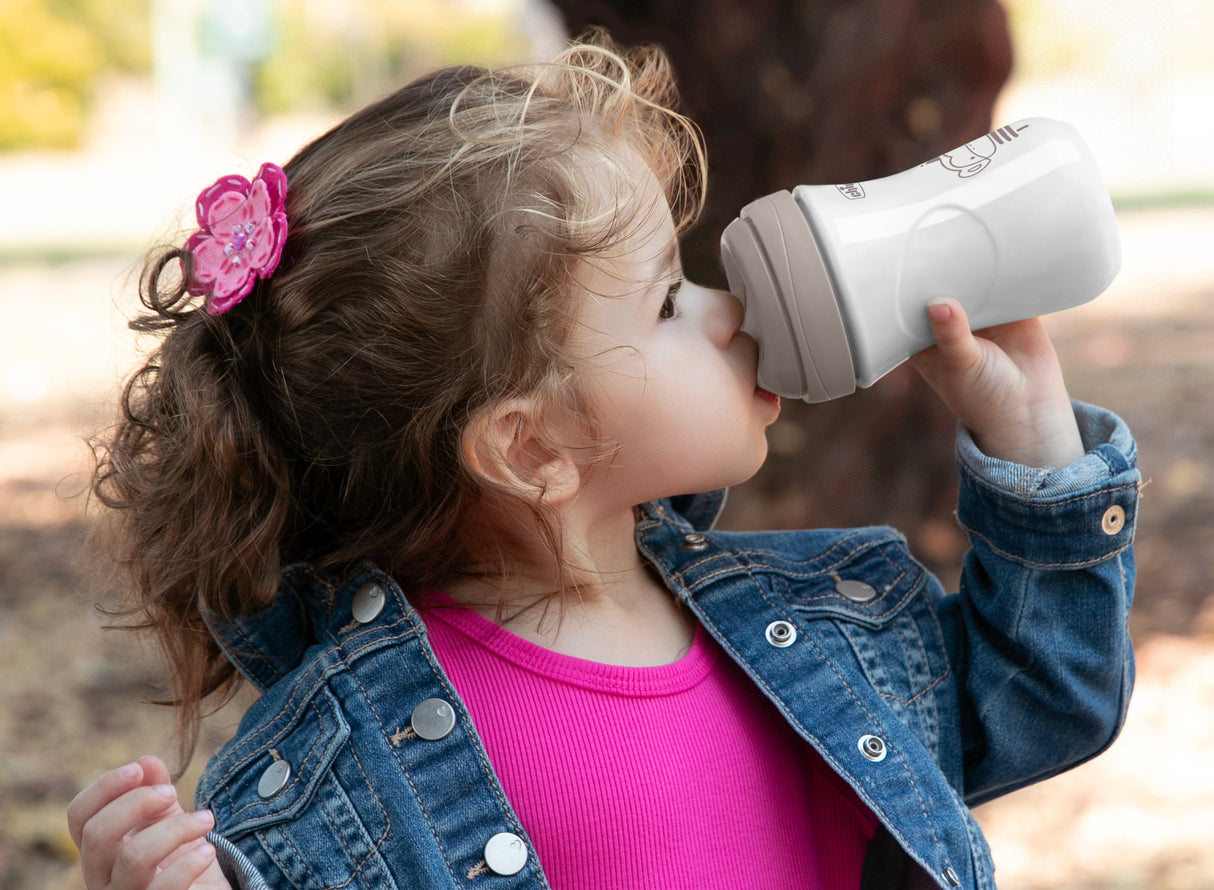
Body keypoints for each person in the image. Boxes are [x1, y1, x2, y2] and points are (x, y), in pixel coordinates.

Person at [67, 29, 1140, 890]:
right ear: (530, 446)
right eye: (668, 301)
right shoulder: (337, 776)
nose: (728, 310)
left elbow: (1044, 703)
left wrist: (1030, 444)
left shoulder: (830, 620)